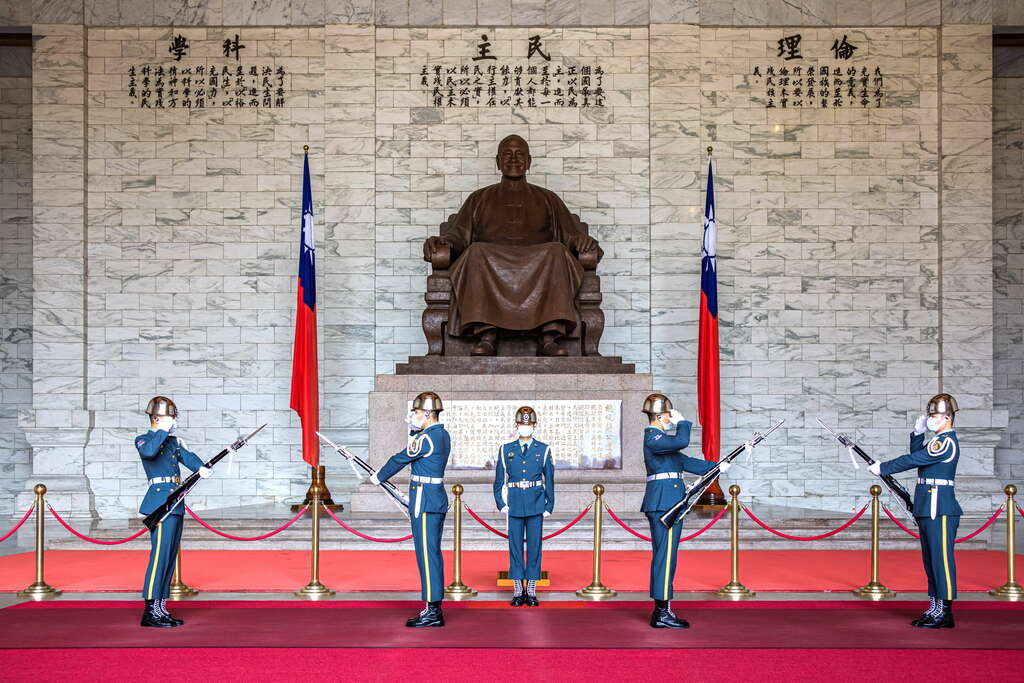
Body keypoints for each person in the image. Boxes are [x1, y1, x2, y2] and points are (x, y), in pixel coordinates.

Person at [423, 135, 601, 356]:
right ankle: (487, 335)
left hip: (540, 262)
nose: (514, 159)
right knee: (475, 251)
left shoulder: (548, 198)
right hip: (490, 261)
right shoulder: (479, 198)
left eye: (520, 154)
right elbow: (459, 235)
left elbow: (571, 235)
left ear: (529, 161)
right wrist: (444, 242)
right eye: (507, 154)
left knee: (557, 251)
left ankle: (548, 337)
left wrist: (581, 241)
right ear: (498, 162)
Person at [870, 393, 962, 629]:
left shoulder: (946, 442)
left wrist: (884, 467)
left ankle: (945, 613)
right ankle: (934, 607)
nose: (931, 419)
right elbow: (918, 457)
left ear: (947, 418)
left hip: (940, 508)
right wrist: (918, 435)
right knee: (931, 561)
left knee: (941, 560)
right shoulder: (937, 441)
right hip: (928, 505)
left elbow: (914, 460)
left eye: (934, 415)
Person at [641, 393, 731, 629]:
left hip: (668, 502)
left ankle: (662, 609)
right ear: (659, 416)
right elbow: (681, 442)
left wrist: (718, 466)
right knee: (665, 557)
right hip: (664, 503)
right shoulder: (654, 437)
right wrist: (682, 423)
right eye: (668, 415)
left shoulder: (663, 443)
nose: (670, 418)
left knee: (666, 556)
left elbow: (685, 462)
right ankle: (662, 612)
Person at [372, 392, 451, 627]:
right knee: (432, 554)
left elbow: (401, 457)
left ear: (427, 414)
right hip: (433, 498)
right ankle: (433, 607)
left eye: (417, 413)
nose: (414, 417)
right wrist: (415, 432)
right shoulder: (441, 434)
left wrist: (379, 476)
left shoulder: (426, 438)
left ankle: (433, 612)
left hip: (425, 501)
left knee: (427, 556)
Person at [136, 396, 211, 628]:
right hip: (159, 505)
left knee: (168, 559)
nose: (173, 421)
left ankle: (161, 608)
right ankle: (150, 612)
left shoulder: (173, 442)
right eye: (169, 417)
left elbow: (189, 458)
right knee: (159, 558)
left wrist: (201, 467)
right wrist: (162, 431)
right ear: (156, 418)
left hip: (175, 504)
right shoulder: (144, 440)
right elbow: (149, 452)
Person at [493, 406, 555, 606]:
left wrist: (549, 504)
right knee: (515, 546)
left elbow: (550, 479)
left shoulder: (543, 449)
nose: (525, 427)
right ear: (516, 425)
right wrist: (501, 503)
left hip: (536, 503)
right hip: (514, 503)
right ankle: (518, 589)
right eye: (521, 423)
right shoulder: (506, 449)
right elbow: (499, 479)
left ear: (534, 425)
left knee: (535, 546)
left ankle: (532, 589)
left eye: (528, 424)